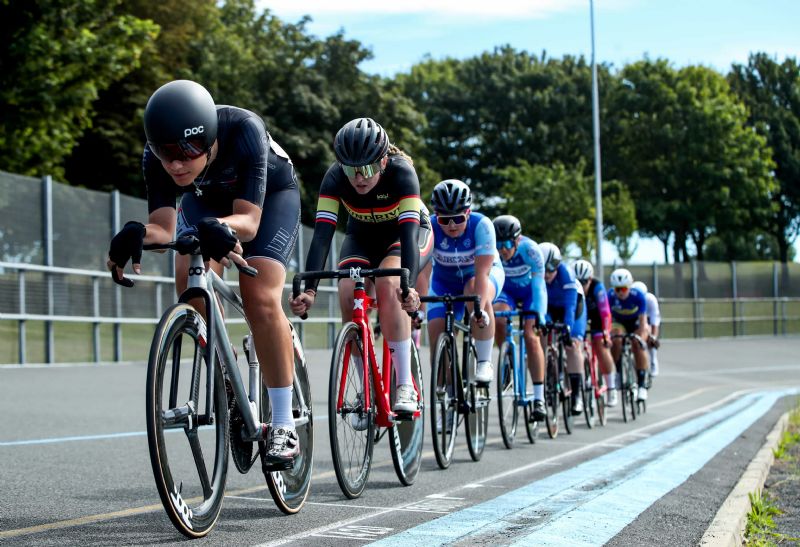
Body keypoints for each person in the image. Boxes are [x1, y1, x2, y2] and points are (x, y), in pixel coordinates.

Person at [107, 80, 302, 468]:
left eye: (186, 153)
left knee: (259, 296)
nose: (176, 164)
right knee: (188, 279)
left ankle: (282, 423)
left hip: (266, 203)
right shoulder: (157, 156)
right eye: (166, 154)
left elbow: (247, 221)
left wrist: (220, 225)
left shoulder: (244, 130)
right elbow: (163, 230)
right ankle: (228, 376)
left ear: (210, 140)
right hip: (206, 203)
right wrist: (134, 233)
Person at [289, 118, 432, 419]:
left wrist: (409, 288)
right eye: (350, 169)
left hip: (402, 235)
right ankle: (364, 386)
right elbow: (323, 236)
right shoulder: (334, 178)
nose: (358, 178)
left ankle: (405, 383)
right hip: (361, 237)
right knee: (346, 294)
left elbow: (408, 237)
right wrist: (311, 290)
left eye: (366, 169)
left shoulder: (402, 173)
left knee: (390, 286)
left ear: (382, 161)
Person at [418, 179, 504, 386]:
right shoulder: (428, 227)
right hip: (443, 282)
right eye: (444, 220)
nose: (451, 225)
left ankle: (484, 361)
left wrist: (479, 309)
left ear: (468, 212)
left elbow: (482, 273)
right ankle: (446, 396)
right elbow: (422, 273)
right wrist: (419, 310)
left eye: (457, 218)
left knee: (474, 293)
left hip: (482, 278)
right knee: (436, 331)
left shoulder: (481, 226)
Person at [492, 215, 548, 421]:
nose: (502, 250)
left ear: (517, 240)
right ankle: (507, 358)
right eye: (498, 244)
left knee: (531, 336)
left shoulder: (531, 250)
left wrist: (539, 314)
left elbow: (540, 286)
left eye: (507, 244)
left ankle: (539, 398)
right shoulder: (493, 251)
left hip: (530, 293)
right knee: (497, 316)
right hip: (508, 293)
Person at [540, 243, 586, 416]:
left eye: (551, 268)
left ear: (558, 264)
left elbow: (571, 306)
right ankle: (547, 381)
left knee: (572, 345)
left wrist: (567, 326)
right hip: (550, 308)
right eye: (543, 269)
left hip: (573, 307)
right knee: (542, 337)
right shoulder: (536, 276)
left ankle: (577, 395)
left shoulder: (566, 274)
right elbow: (540, 306)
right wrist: (546, 322)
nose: (547, 273)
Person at [573, 259, 618, 406]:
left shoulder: (597, 287)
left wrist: (606, 333)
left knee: (601, 346)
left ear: (590, 280)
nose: (581, 285)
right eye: (577, 281)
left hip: (597, 317)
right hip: (579, 316)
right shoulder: (571, 287)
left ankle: (611, 387)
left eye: (584, 282)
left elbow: (605, 312)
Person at [607, 268, 650, 401]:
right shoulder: (609, 296)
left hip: (635, 323)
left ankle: (642, 384)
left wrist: (641, 338)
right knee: (617, 339)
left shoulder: (638, 296)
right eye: (617, 289)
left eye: (624, 289)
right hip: (618, 322)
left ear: (630, 287)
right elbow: (607, 318)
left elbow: (643, 323)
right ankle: (618, 371)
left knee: (638, 344)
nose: (620, 292)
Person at [631, 281, 662, 377]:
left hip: (647, 320)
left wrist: (653, 337)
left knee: (650, 338)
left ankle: (653, 361)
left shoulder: (651, 300)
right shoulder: (630, 298)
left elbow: (654, 321)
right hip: (634, 320)